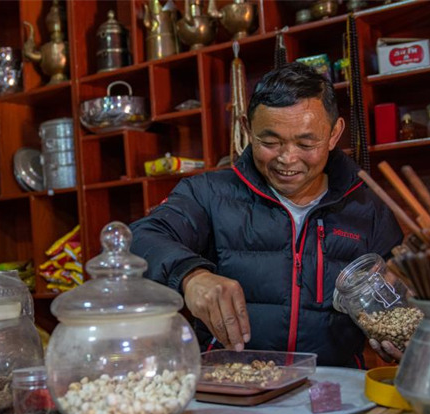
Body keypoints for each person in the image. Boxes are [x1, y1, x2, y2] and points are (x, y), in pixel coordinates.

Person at [130, 62, 403, 366]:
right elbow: (140, 238)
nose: (287, 158)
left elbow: (400, 291)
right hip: (234, 391)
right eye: (269, 142)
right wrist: (191, 276)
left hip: (331, 392)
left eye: (306, 142)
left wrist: (398, 327)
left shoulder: (367, 208)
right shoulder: (207, 194)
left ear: (334, 133)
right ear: (247, 129)